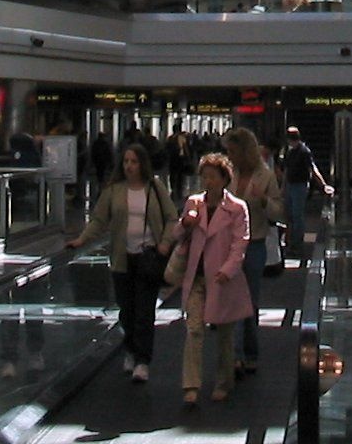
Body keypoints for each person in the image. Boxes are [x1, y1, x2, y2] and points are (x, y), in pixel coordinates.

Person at [66, 141, 175, 384]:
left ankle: (142, 360)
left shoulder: (155, 188)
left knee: (145, 311)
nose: (129, 166)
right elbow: (98, 219)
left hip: (148, 258)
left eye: (134, 162)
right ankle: (130, 349)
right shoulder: (114, 190)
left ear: (142, 164)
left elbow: (171, 218)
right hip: (121, 259)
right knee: (127, 310)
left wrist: (165, 242)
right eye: (126, 162)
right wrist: (81, 239)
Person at [162, 151, 251, 408]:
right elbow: (178, 234)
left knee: (224, 333)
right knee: (194, 329)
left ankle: (224, 381)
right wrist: (186, 223)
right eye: (205, 177)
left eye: (213, 177)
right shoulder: (194, 204)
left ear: (224, 179)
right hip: (196, 276)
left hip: (222, 279)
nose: (208, 182)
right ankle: (191, 385)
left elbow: (240, 242)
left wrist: (229, 269)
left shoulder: (236, 208)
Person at [220, 127, 278, 377]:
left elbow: (278, 212)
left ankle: (249, 352)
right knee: (231, 299)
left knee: (249, 300)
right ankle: (235, 355)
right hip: (229, 244)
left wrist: (263, 200)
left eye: (233, 151)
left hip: (254, 243)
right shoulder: (228, 175)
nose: (229, 156)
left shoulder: (265, 176)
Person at [280, 124, 333, 265]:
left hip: (299, 185)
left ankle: (296, 244)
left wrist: (322, 185)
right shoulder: (290, 152)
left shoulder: (303, 151)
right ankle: (292, 242)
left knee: (297, 215)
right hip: (293, 185)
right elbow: (288, 170)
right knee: (291, 215)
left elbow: (311, 168)